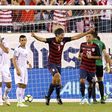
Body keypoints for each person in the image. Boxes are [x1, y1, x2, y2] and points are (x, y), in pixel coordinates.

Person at [31, 27, 94, 105]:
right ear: (57, 35)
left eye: (63, 35)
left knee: (56, 81)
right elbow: (42, 39)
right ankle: (55, 97)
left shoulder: (64, 40)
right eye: (61, 35)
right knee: (57, 76)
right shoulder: (51, 40)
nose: (62, 37)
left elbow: (76, 37)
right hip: (51, 63)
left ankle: (50, 97)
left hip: (59, 64)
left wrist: (87, 32)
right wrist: (34, 36)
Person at [79, 32, 101, 105]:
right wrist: (80, 57)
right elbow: (79, 55)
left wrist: (91, 57)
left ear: (92, 38)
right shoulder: (82, 44)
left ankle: (89, 98)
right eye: (86, 36)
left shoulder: (95, 46)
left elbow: (99, 57)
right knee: (82, 80)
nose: (87, 38)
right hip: (83, 66)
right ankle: (82, 97)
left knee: (91, 84)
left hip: (92, 68)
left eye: (89, 36)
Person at [12, 35, 32, 107]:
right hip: (19, 68)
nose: (23, 41)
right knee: (19, 84)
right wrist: (17, 69)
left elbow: (24, 58)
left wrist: (28, 63)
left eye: (25, 40)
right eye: (22, 40)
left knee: (24, 85)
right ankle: (19, 102)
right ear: (19, 41)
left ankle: (21, 101)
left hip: (25, 68)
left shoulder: (27, 48)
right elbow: (13, 59)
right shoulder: (17, 49)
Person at [92, 34, 110, 104]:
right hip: (100, 65)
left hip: (92, 65)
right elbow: (106, 55)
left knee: (93, 81)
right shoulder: (102, 43)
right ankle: (102, 98)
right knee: (100, 81)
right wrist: (108, 64)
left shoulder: (90, 42)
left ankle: (94, 99)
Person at [0, 37, 12, 106]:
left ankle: (5, 95)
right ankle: (0, 100)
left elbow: (7, 51)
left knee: (9, 85)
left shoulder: (5, 42)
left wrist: (0, 44)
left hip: (5, 66)